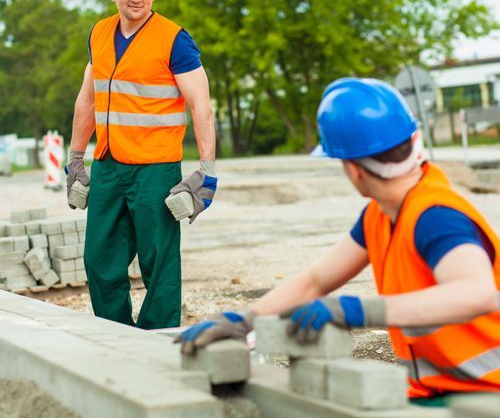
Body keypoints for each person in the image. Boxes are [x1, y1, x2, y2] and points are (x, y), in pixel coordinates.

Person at [176, 78, 499, 401]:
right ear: (413, 140)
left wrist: (360, 309)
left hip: (487, 394)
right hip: (446, 391)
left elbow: (476, 292)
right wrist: (243, 320)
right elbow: (316, 281)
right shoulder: (382, 214)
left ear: (354, 170)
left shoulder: (435, 216)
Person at [66, 0, 217, 329]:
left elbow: (201, 104)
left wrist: (207, 171)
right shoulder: (99, 34)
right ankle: (116, 335)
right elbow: (88, 97)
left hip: (155, 169)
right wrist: (75, 158)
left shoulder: (174, 39)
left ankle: (157, 341)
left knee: (159, 263)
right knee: (99, 260)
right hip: (108, 165)